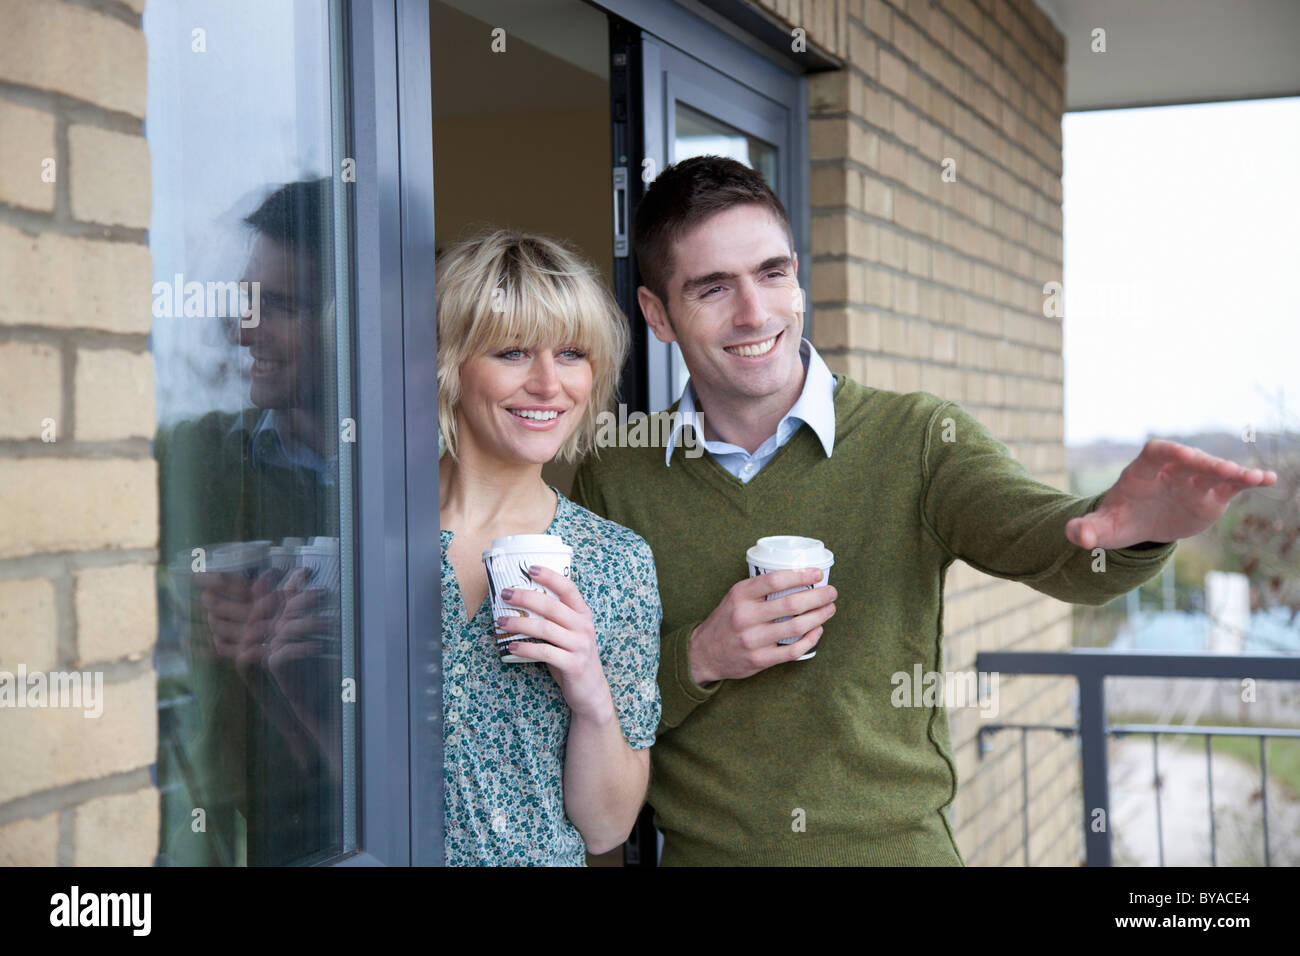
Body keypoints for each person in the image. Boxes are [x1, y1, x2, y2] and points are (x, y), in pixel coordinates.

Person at [570, 155, 1278, 865]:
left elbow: (1051, 544)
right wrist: (701, 657)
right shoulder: (618, 474)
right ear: (659, 314)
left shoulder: (917, 439)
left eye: (772, 273)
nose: (755, 312)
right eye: (714, 287)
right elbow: (593, 701)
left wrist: (1134, 528)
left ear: (798, 281)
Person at [436, 229, 662, 865]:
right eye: (511, 352)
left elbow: (605, 829)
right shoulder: (373, 540)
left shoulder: (616, 563)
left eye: (571, 354)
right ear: (449, 364)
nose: (548, 384)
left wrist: (589, 692)